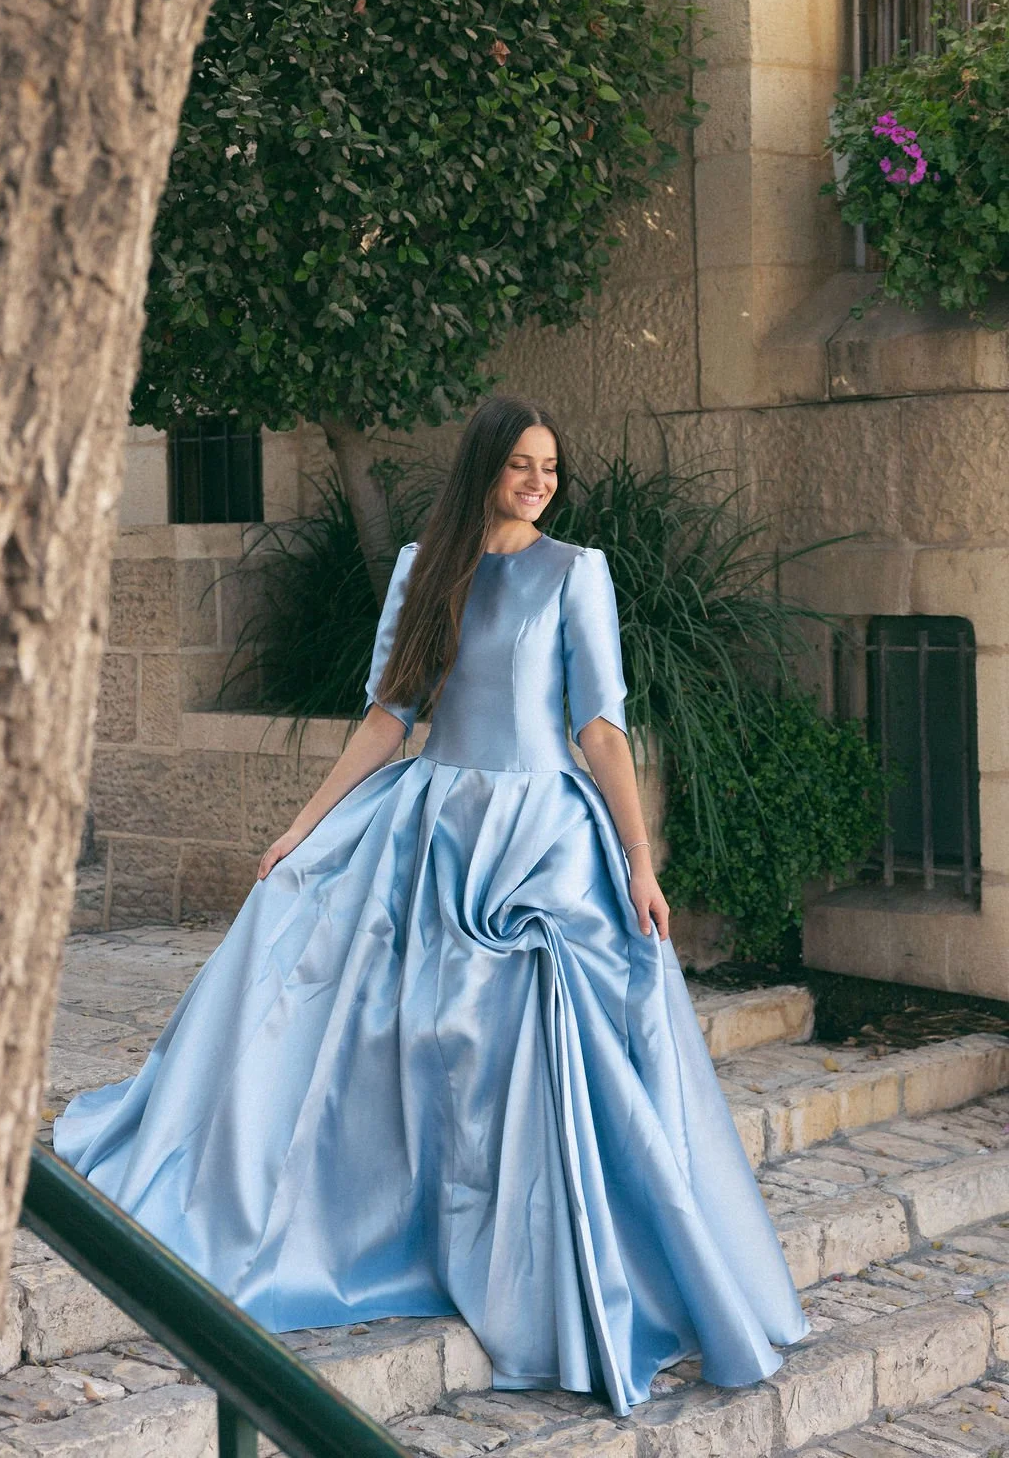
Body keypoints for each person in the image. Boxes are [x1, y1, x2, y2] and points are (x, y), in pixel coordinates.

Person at [54, 394, 809, 1415]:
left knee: (545, 1038)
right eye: (522, 464)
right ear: (485, 468)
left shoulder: (576, 573)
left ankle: (569, 1277)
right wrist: (304, 824)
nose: (540, 480)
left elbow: (599, 729)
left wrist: (639, 859)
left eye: (551, 465)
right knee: (380, 1021)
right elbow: (389, 717)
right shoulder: (424, 566)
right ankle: (402, 1222)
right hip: (436, 825)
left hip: (544, 840)